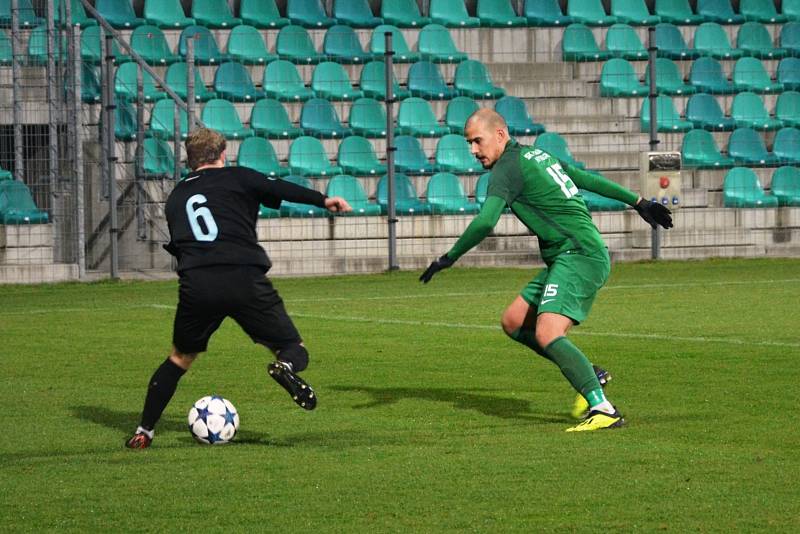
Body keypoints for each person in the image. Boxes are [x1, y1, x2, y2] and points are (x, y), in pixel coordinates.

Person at [419, 109, 672, 432]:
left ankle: (603, 409)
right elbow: (584, 178)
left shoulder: (507, 168)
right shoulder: (535, 154)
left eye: (477, 142)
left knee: (548, 332)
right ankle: (588, 373)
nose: (473, 151)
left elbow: (485, 221)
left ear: (500, 134)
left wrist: (449, 257)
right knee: (513, 321)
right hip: (570, 255)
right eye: (469, 144)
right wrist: (638, 201)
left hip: (578, 254)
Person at [126, 128, 352, 449]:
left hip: (198, 283)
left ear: (189, 161)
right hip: (244, 275)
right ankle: (285, 367)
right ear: (223, 154)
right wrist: (323, 200)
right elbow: (281, 188)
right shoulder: (239, 177)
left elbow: (178, 247)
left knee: (179, 359)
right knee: (293, 348)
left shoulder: (176, 197)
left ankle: (144, 430)